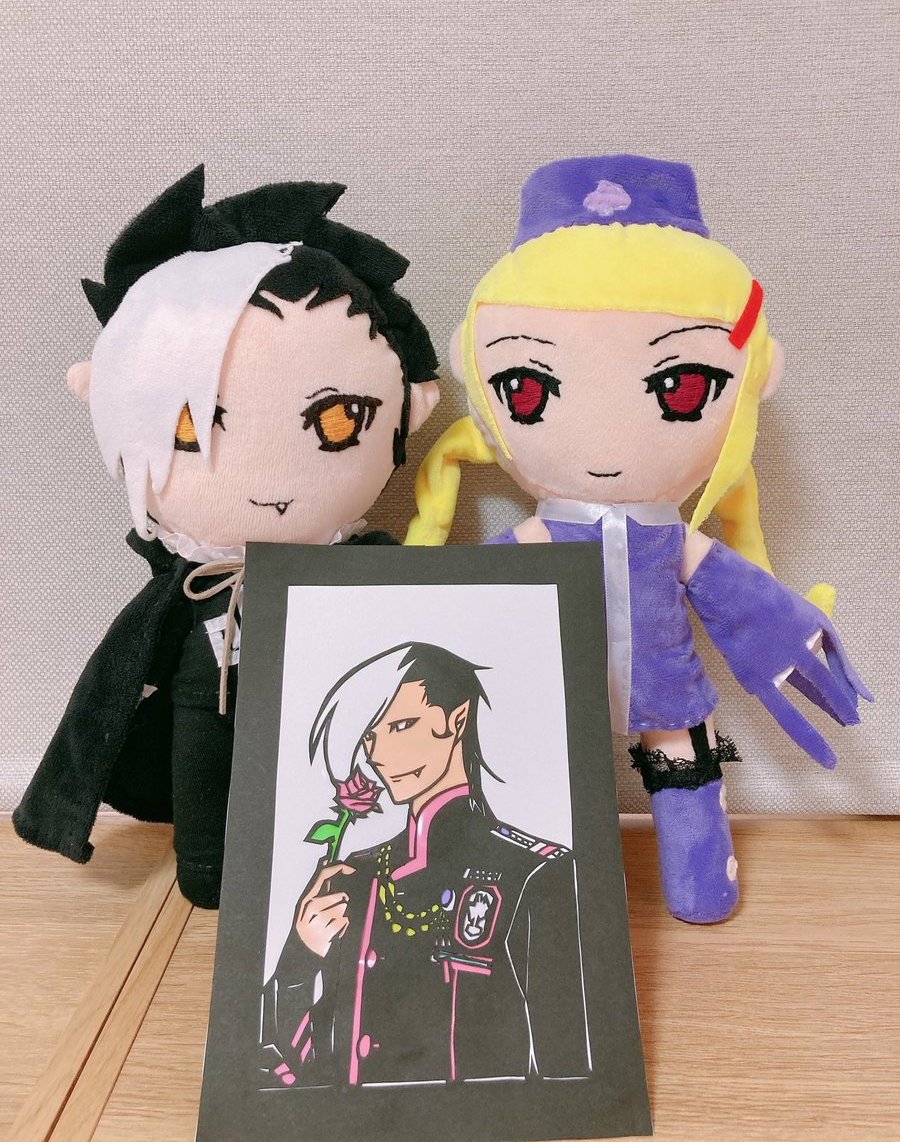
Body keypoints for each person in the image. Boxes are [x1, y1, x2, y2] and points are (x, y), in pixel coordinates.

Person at [404, 155, 871, 924]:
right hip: (555, 690)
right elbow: (469, 604)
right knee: (558, 787)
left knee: (685, 771)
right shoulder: (542, 536)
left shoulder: (673, 541)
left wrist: (791, 624)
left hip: (668, 686)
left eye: (680, 388)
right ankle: (573, 920)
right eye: (528, 387)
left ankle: (700, 882)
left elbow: (742, 598)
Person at [13, 167, 440, 907]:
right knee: (202, 767)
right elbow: (112, 681)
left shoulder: (363, 567)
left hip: (340, 703)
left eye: (339, 419)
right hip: (205, 696)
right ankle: (207, 867)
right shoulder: (192, 581)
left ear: (408, 407)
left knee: (340, 779)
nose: (268, 483)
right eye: (190, 429)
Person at [262, 643, 590, 1087]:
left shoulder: (533, 872)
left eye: (401, 725)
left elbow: (568, 1068)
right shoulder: (355, 875)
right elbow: (295, 1066)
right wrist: (300, 958)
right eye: (370, 736)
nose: (379, 754)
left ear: (457, 720)